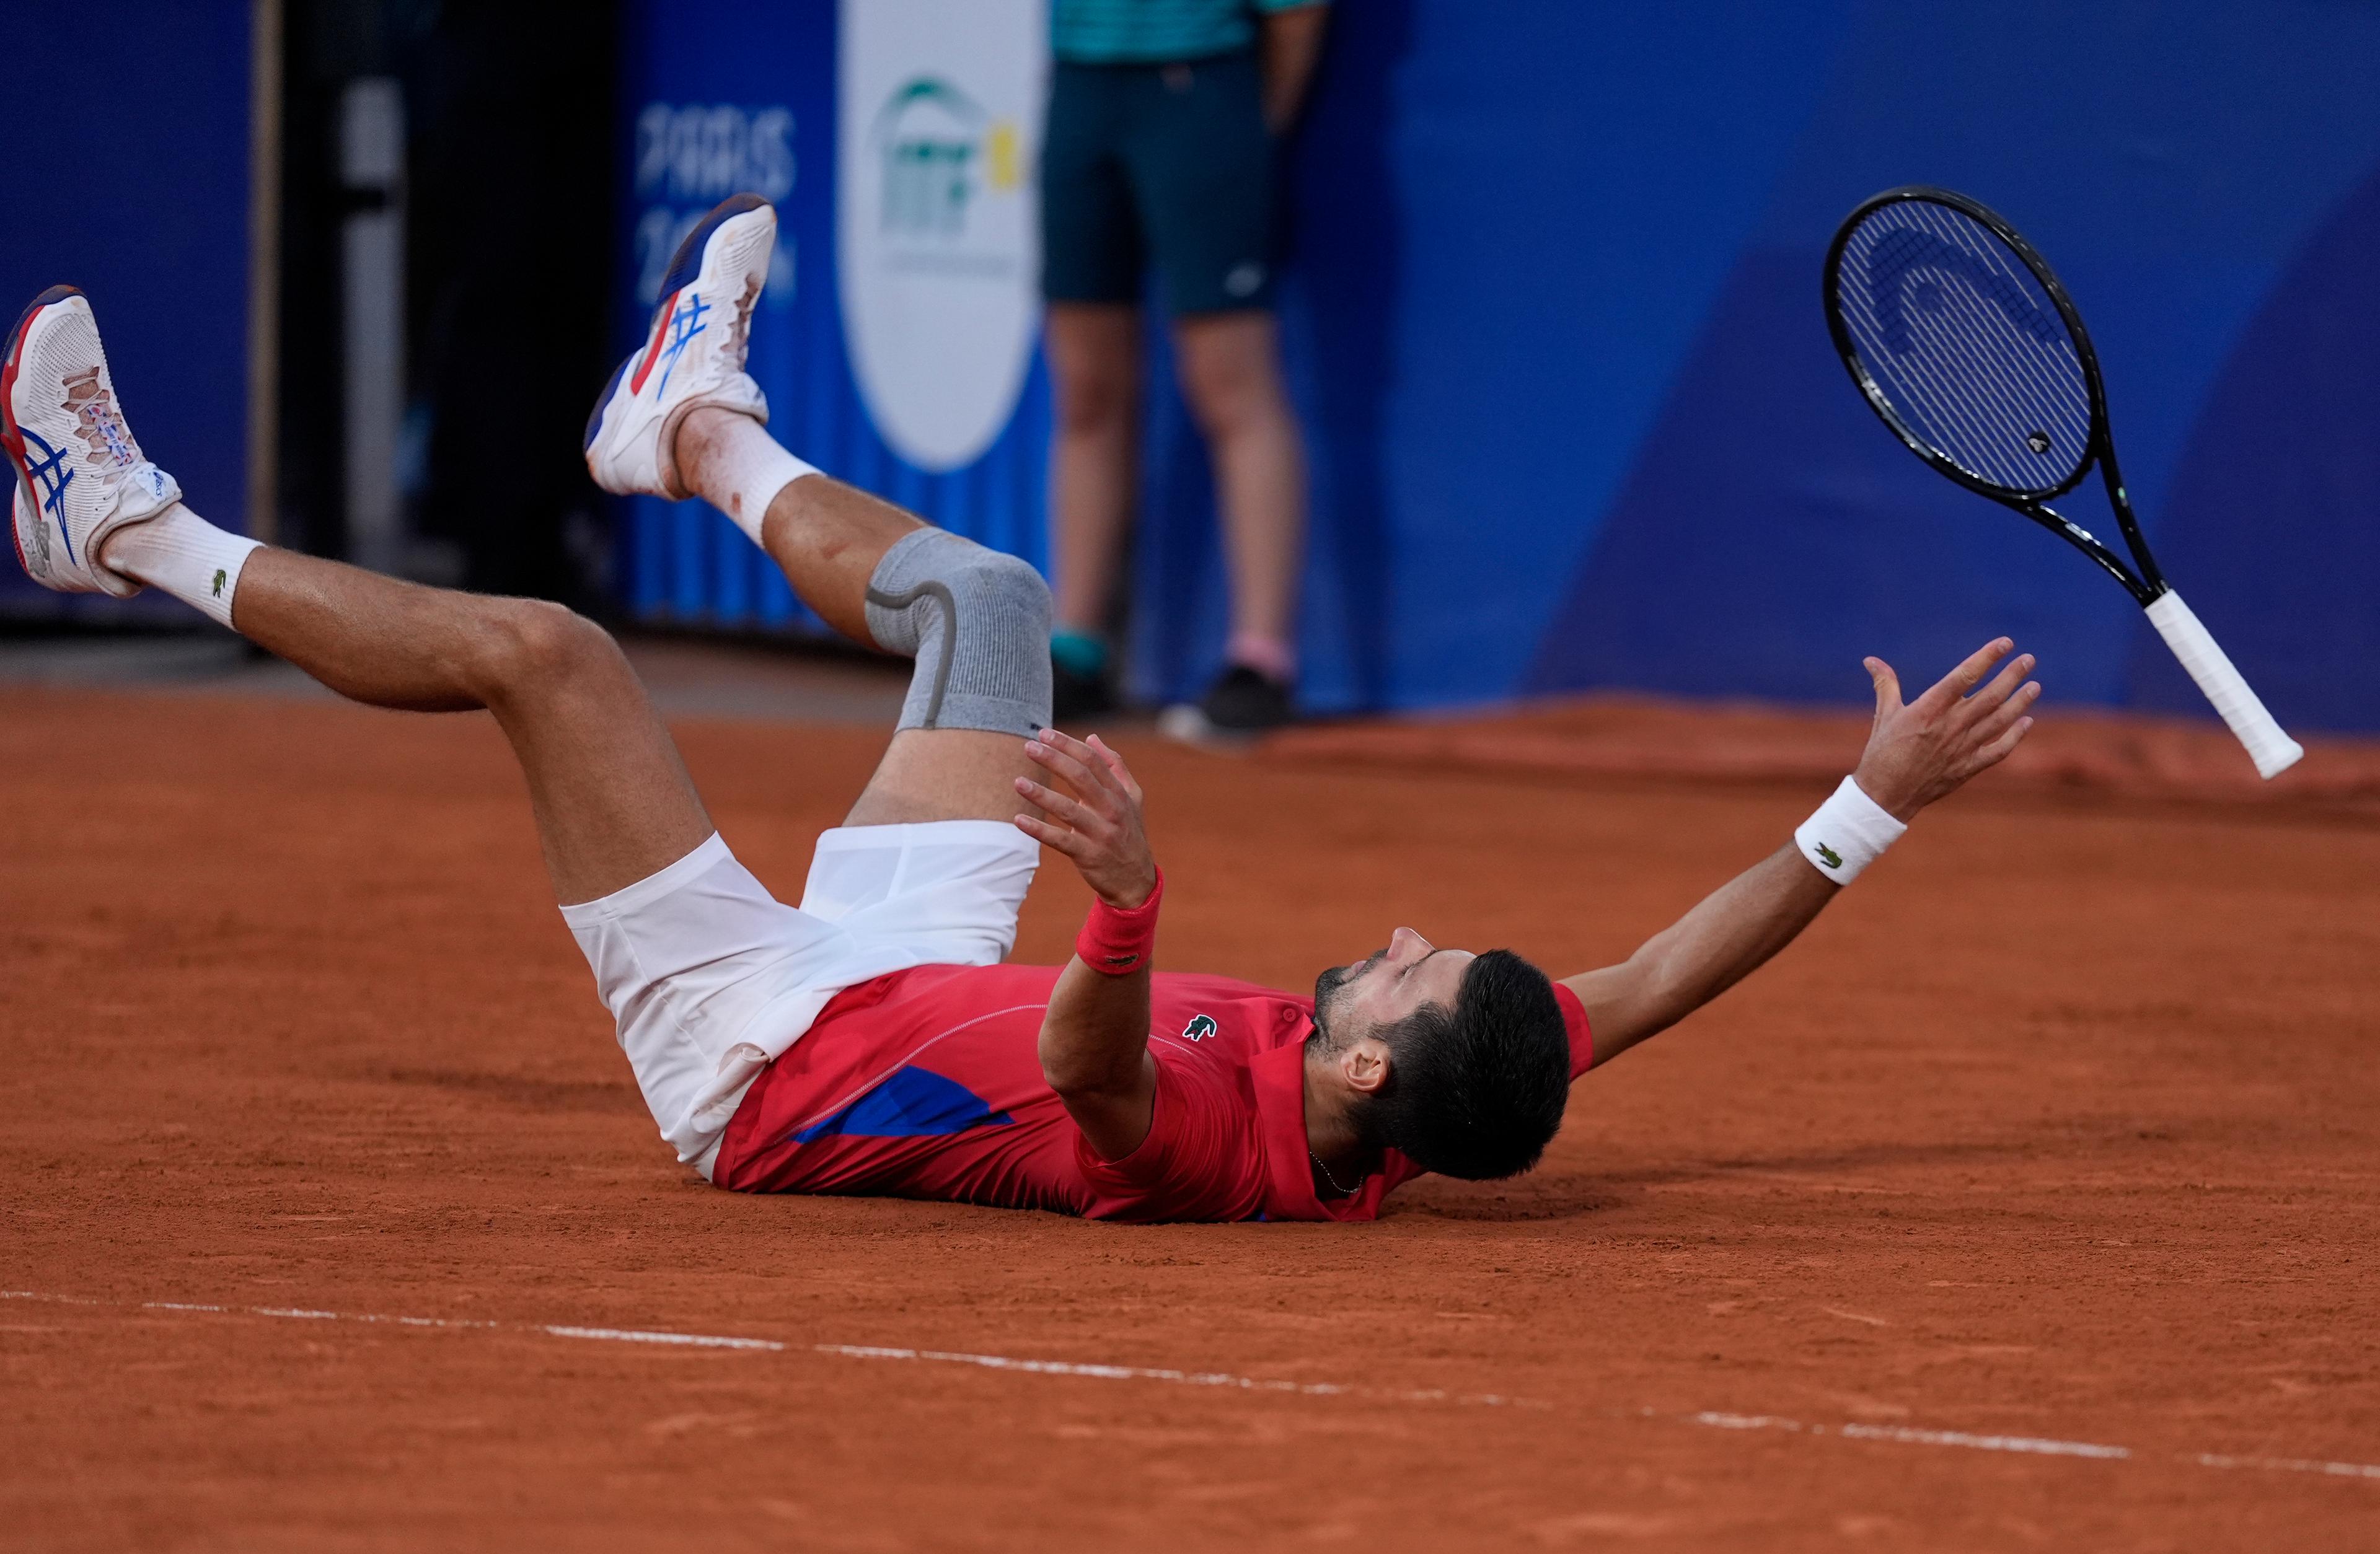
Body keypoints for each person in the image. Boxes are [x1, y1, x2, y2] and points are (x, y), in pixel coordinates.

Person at [4, 196, 2042, 1222]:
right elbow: (1665, 976)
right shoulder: (1449, 1091)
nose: (1403, 938)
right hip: (908, 973)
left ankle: (120, 529)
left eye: (1405, 977)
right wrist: (1869, 805)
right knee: (994, 607)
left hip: (769, 1056)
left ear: (1353, 1082)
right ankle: (696, 429)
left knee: (555, 656)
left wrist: (1134, 905)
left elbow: (1098, 1068)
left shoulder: (1203, 1145)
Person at [1039, 0, 1329, 736]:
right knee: (1085, 388)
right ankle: (1073, 649)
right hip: (1078, 83)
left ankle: (1260, 660)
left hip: (1203, 89)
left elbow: (1297, 15)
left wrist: (1243, 128)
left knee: (1230, 383)